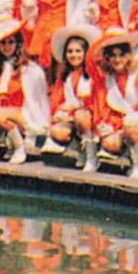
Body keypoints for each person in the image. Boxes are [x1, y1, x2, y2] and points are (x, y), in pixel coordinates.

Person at [90, 27, 138, 180]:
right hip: (124, 126)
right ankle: (131, 159)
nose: (117, 60)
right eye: (112, 56)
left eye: (121, 55)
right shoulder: (107, 80)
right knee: (109, 142)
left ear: (129, 55)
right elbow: (106, 110)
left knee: (133, 129)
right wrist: (110, 126)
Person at [0, 19, 49, 165]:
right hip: (2, 114)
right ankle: (5, 141)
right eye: (3, 43)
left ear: (18, 44)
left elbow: (37, 101)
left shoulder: (29, 69)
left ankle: (20, 147)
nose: (6, 47)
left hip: (24, 114)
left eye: (10, 42)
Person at [45, 22, 102, 172]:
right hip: (73, 115)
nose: (74, 55)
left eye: (78, 51)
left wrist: (75, 107)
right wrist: (60, 113)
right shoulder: (65, 75)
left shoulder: (94, 74)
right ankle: (81, 150)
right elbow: (58, 100)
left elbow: (97, 100)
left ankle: (92, 156)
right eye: (70, 51)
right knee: (58, 131)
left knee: (81, 116)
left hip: (92, 116)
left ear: (86, 52)